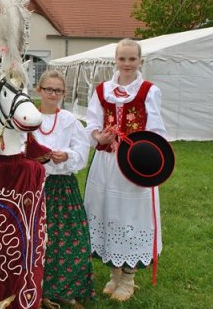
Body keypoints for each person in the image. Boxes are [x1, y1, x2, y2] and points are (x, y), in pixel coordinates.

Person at [84, 38, 168, 301]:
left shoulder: (148, 91)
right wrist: (100, 136)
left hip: (134, 166)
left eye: (132, 59)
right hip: (106, 164)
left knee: (131, 215)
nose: (127, 63)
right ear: (115, 60)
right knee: (109, 212)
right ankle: (114, 274)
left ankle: (129, 278)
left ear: (140, 60)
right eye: (123, 58)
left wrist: (142, 152)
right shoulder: (102, 91)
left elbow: (156, 131)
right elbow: (92, 123)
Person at [32, 70, 95, 309]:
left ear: (64, 93)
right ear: (39, 90)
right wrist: (35, 159)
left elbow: (81, 153)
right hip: (35, 186)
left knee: (71, 237)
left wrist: (65, 156)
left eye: (58, 90)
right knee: (39, 238)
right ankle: (39, 288)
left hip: (63, 186)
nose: (53, 94)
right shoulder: (27, 118)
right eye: (48, 89)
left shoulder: (69, 120)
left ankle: (67, 288)